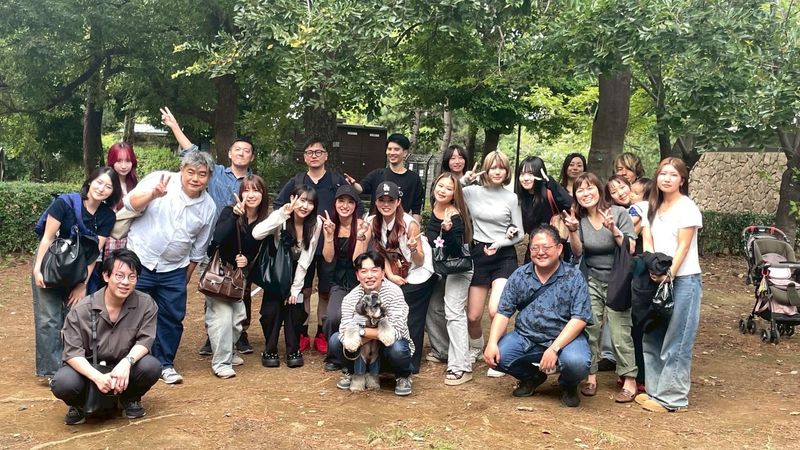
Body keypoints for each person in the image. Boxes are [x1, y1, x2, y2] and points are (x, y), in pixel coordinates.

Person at [160, 107, 257, 354]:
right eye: (238, 149)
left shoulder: (253, 183)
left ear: (252, 157)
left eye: (246, 150)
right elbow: (192, 153)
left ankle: (241, 333)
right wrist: (174, 126)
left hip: (241, 244)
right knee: (213, 284)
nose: (241, 153)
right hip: (215, 241)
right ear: (230, 153)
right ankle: (211, 335)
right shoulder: (215, 175)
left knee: (242, 287)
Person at [123, 152, 216, 384]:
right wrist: (153, 195)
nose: (195, 178)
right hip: (140, 259)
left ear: (209, 177)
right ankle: (126, 360)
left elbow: (199, 248)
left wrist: (186, 276)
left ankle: (164, 363)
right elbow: (130, 203)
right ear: (181, 169)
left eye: (202, 174)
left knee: (171, 316)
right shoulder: (160, 179)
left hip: (175, 268)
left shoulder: (208, 207)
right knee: (130, 311)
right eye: (191, 172)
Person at [483, 224, 592, 407]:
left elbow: (579, 318)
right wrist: (492, 342)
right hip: (526, 337)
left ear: (559, 249)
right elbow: (503, 312)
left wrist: (554, 348)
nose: (540, 252)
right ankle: (532, 378)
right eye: (535, 248)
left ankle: (568, 385)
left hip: (565, 340)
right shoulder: (520, 275)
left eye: (546, 247)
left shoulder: (574, 276)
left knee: (577, 363)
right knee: (499, 355)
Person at [50, 249, 161, 424]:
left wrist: (126, 363)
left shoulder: (146, 304)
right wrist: (97, 377)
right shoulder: (81, 309)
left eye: (132, 277)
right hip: (89, 370)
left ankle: (129, 399)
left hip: (124, 368)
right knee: (63, 382)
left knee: (151, 366)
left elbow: (145, 340)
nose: (125, 282)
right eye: (119, 275)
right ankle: (79, 405)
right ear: (106, 276)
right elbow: (72, 353)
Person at [32, 167, 121, 380]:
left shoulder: (107, 216)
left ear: (113, 192)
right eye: (99, 182)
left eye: (108, 186)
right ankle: (52, 371)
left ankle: (75, 365)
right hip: (51, 262)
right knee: (49, 319)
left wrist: (82, 284)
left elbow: (94, 253)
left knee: (76, 316)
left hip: (79, 268)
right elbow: (47, 238)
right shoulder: (64, 203)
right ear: (90, 181)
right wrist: (37, 269)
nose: (102, 188)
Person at [563, 172, 638, 403]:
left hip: (618, 279)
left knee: (619, 331)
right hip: (591, 279)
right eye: (580, 190)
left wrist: (614, 229)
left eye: (590, 188)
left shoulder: (619, 213)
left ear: (599, 189)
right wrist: (573, 230)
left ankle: (629, 379)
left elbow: (630, 248)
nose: (586, 193)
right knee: (591, 328)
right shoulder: (579, 219)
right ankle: (591, 376)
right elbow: (578, 252)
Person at [274, 137, 351, 356]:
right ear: (304, 157)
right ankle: (301, 332)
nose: (314, 156)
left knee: (326, 292)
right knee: (304, 290)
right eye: (309, 152)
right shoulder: (297, 181)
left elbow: (352, 205)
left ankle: (321, 333)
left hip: (328, 246)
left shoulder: (336, 181)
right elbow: (279, 205)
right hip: (302, 246)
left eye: (318, 152)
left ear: (326, 156)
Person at [637, 157, 703, 413]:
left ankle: (673, 398)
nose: (667, 178)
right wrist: (653, 267)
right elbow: (647, 240)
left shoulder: (687, 208)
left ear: (682, 180)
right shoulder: (652, 206)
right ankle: (655, 392)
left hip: (684, 280)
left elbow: (683, 246)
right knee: (652, 334)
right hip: (656, 277)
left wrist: (669, 274)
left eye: (673, 175)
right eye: (663, 173)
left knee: (678, 338)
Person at [354, 181, 435, 373]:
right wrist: (390, 275)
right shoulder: (372, 221)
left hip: (418, 272)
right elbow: (376, 254)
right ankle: (387, 360)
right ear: (376, 202)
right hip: (395, 271)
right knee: (386, 308)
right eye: (381, 200)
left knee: (410, 314)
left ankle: (409, 363)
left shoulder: (410, 224)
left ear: (398, 202)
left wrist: (413, 249)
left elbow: (420, 260)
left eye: (390, 200)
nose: (386, 204)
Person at [460, 151, 523, 373]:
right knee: (472, 316)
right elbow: (446, 193)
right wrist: (463, 180)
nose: (498, 172)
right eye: (493, 167)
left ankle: (498, 353)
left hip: (503, 255)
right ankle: (476, 347)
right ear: (485, 170)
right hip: (478, 252)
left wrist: (500, 242)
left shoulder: (511, 198)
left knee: (496, 310)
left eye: (502, 168)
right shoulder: (471, 192)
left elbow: (519, 233)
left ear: (507, 171)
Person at [204, 175, 270, 378]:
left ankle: (229, 352)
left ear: (263, 194)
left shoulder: (262, 222)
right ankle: (221, 362)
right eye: (246, 190)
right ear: (240, 193)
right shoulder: (229, 211)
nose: (251, 195)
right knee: (222, 319)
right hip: (220, 275)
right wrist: (234, 216)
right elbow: (218, 238)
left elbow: (256, 249)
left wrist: (246, 259)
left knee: (237, 320)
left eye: (256, 190)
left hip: (239, 279)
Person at [253, 185, 323, 369]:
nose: (305, 206)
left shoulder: (315, 223)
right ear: (293, 198)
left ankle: (293, 349)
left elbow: (307, 258)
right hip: (277, 270)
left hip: (298, 270)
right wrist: (283, 214)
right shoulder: (281, 216)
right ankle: (270, 349)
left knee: (295, 309)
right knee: (271, 311)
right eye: (302, 200)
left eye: (310, 202)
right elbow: (257, 233)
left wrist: (295, 288)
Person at [328, 251, 415, 396]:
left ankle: (403, 376)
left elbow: (397, 331)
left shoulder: (394, 293)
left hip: (387, 349)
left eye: (374, 270)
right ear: (357, 275)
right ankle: (353, 372)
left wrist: (361, 332)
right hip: (363, 349)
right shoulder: (350, 298)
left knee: (398, 348)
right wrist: (367, 335)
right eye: (364, 271)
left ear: (383, 273)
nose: (369, 276)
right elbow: (344, 332)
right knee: (335, 340)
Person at [424, 172, 474, 385]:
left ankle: (461, 366)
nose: (442, 190)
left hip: (459, 268)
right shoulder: (433, 207)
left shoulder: (454, 215)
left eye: (448, 188)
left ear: (455, 194)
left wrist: (449, 231)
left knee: (454, 313)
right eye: (440, 185)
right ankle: (443, 350)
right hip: (441, 268)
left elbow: (457, 250)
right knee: (433, 307)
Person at [321, 185, 363, 371]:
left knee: (356, 318)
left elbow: (357, 261)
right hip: (339, 281)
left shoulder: (362, 225)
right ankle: (335, 356)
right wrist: (330, 236)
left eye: (350, 202)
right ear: (335, 203)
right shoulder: (330, 225)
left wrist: (360, 237)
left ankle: (355, 355)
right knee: (332, 317)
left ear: (355, 206)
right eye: (341, 201)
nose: (345, 206)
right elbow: (328, 257)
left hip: (359, 282)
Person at [349, 133, 425, 223]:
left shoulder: (414, 179)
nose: (392, 153)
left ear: (405, 153)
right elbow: (361, 188)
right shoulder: (377, 174)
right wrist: (353, 184)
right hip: (376, 226)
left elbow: (416, 210)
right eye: (389, 149)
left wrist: (415, 229)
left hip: (399, 227)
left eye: (396, 149)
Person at [516, 156, 572, 262]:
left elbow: (571, 205)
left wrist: (551, 184)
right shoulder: (521, 198)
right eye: (522, 174)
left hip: (555, 249)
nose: (526, 178)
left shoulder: (549, 192)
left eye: (531, 174)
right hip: (534, 249)